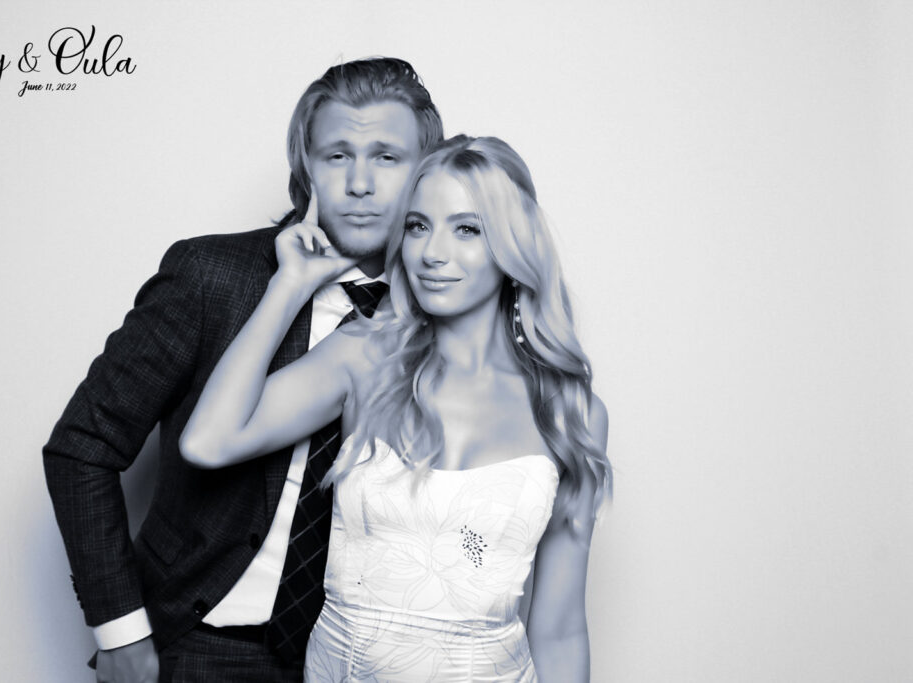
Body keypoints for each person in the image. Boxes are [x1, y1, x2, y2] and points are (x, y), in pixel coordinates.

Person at [43, 57, 443, 682]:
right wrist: (120, 631)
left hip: (359, 657)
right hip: (201, 642)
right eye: (337, 156)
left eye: (387, 157)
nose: (360, 183)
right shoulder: (212, 277)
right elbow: (82, 446)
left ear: (425, 172)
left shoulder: (442, 310)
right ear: (306, 166)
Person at [180, 135, 613, 682]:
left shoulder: (570, 410)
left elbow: (560, 628)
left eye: (467, 229)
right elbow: (207, 443)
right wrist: (289, 284)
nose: (433, 253)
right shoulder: (362, 355)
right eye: (417, 225)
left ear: (512, 246)